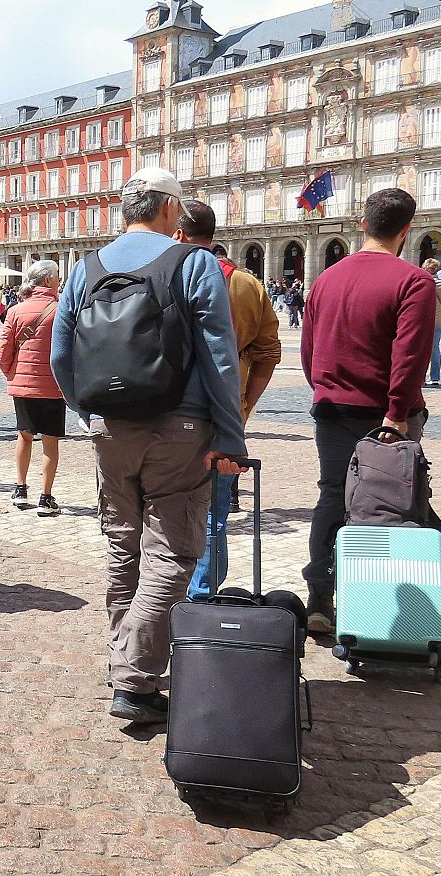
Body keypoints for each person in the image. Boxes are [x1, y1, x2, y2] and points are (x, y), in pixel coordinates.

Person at [49, 168, 247, 726]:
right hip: (180, 427)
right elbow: (220, 357)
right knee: (173, 553)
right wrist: (230, 434)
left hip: (109, 428)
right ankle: (134, 678)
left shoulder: (84, 269)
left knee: (122, 547)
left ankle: (126, 664)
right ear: (169, 209)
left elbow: (61, 354)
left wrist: (87, 410)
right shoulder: (195, 263)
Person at [300, 188, 437, 635]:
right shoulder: (414, 281)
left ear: (363, 224)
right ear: (406, 230)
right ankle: (380, 603)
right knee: (390, 504)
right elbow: (410, 357)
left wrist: (325, 387)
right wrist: (398, 413)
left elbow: (309, 350)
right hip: (385, 413)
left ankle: (320, 594)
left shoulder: (325, 279)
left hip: (333, 406)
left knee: (333, 495)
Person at [172, 202, 281, 601]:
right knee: (216, 513)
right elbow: (269, 352)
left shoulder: (168, 274)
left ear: (178, 233)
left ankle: (164, 596)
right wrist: (245, 405)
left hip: (171, 415)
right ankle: (202, 595)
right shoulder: (248, 285)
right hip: (226, 414)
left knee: (164, 508)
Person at [0, 260, 65, 516]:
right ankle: (46, 498)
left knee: (24, 435)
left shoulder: (15, 311)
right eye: (57, 277)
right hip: (52, 385)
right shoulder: (61, 310)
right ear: (47, 281)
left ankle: (20, 488)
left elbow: (3, 350)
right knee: (50, 442)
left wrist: (11, 375)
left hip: (23, 386)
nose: (59, 281)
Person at [423, 259, 441, 387]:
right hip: (438, 318)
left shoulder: (421, 282)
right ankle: (435, 377)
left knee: (420, 349)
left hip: (422, 318)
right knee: (435, 348)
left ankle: (421, 378)